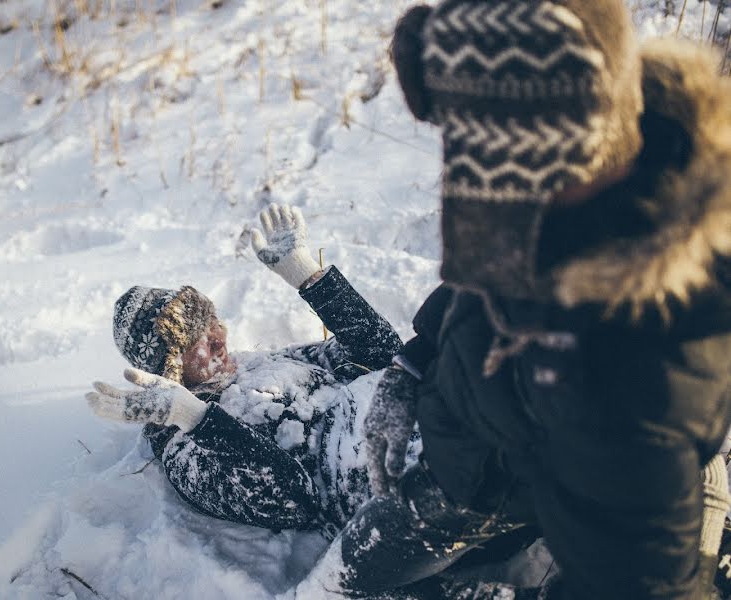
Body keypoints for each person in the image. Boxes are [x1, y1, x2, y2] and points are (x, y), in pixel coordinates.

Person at [297, 1, 731, 599]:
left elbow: (641, 583)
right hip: (463, 453)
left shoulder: (639, 370)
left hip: (497, 489)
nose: (491, 197)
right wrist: (411, 364)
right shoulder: (549, 206)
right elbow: (478, 288)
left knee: (339, 591)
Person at [85, 203, 416, 536]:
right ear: (170, 370)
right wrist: (194, 418)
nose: (219, 338)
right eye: (195, 341)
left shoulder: (255, 363)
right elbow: (291, 501)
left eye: (212, 322)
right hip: (395, 483)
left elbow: (387, 358)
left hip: (424, 419)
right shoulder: (181, 440)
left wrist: (310, 278)